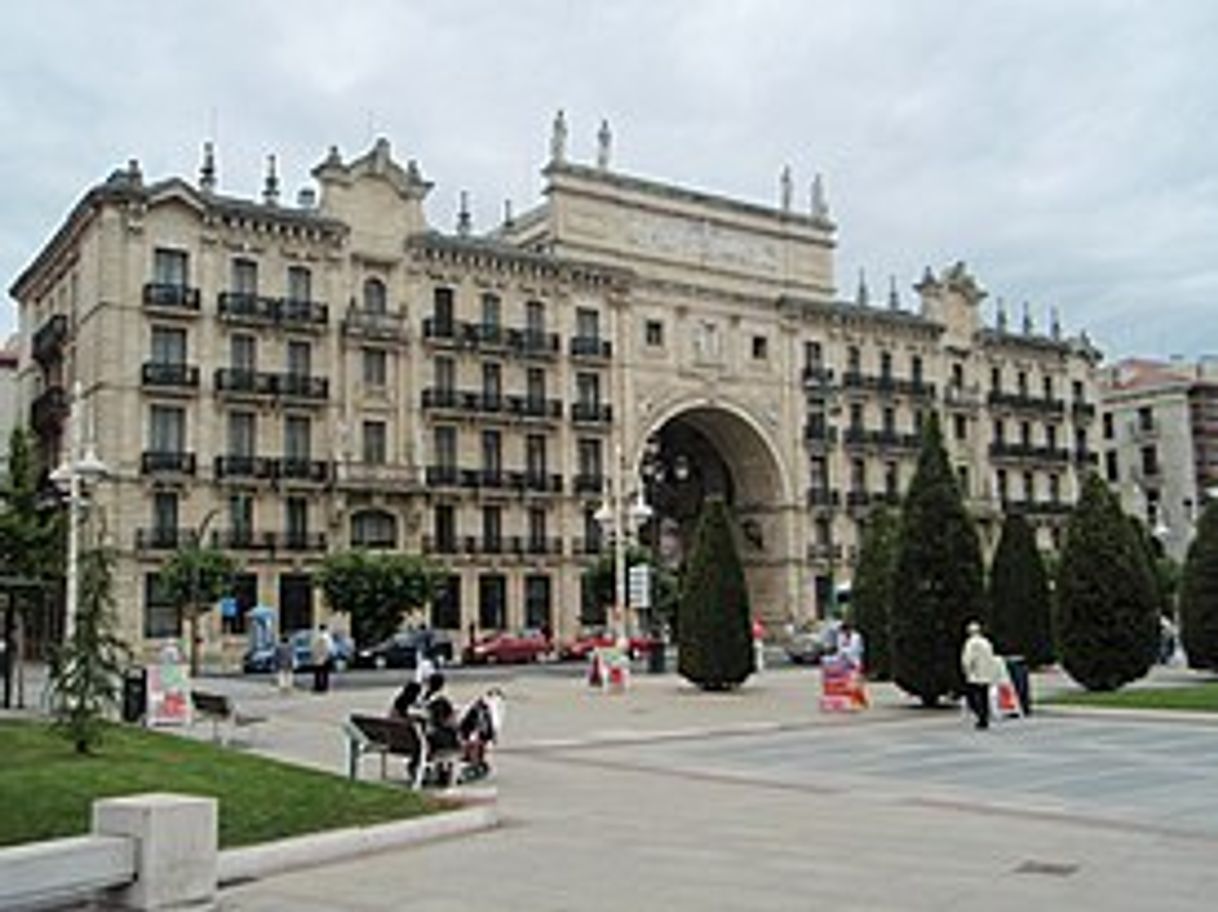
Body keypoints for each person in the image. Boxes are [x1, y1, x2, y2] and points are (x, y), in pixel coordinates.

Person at [961, 620, 998, 729]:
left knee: (975, 696)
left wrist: (966, 670)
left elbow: (968, 659)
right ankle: (984, 717)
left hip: (975, 674)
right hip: (986, 673)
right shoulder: (986, 642)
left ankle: (980, 717)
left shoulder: (971, 643)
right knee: (984, 696)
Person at [311, 624, 334, 694]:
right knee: (325, 673)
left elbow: (312, 647)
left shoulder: (316, 637)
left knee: (317, 673)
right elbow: (330, 647)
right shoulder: (328, 637)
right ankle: (325, 687)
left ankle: (317, 686)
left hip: (317, 657)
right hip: (325, 656)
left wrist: (314, 655)